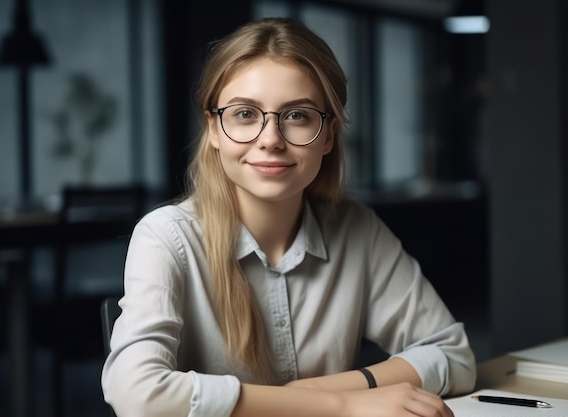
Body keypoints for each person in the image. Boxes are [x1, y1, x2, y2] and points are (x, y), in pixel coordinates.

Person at [101, 17, 476, 417]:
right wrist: (341, 404)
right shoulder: (166, 237)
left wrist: (317, 392)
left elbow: (454, 356)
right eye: (245, 114)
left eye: (297, 115)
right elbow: (136, 394)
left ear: (328, 134)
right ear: (213, 128)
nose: (270, 140)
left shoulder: (357, 230)